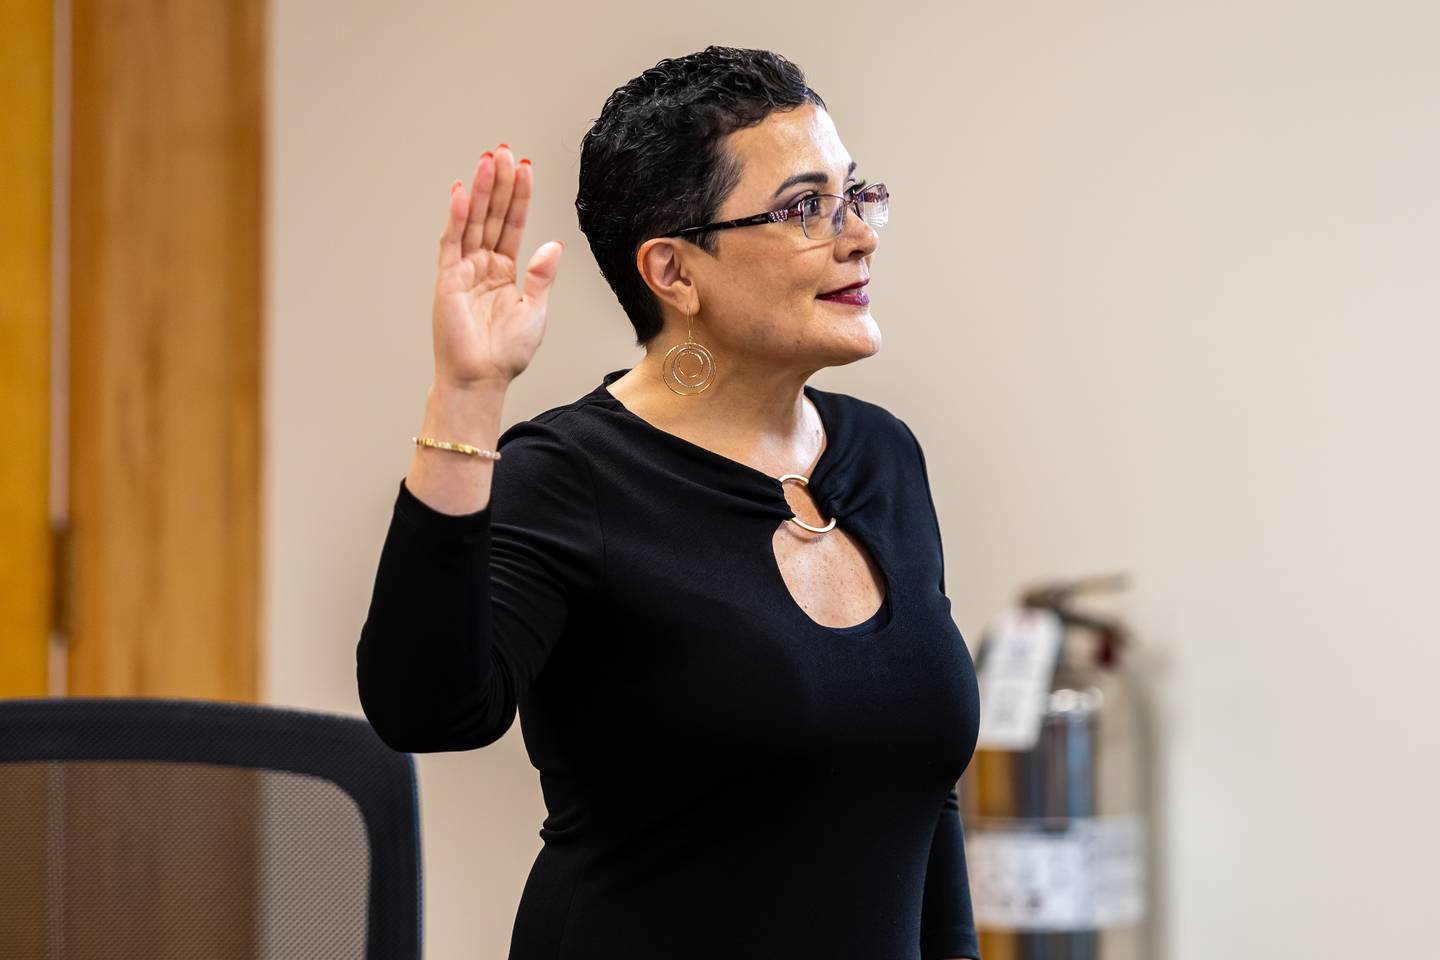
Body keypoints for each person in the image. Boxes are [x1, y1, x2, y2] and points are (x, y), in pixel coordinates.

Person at [357, 46, 981, 960]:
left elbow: (925, 798)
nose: (860, 234)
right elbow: (429, 711)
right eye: (807, 207)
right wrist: (468, 392)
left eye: (855, 195)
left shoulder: (882, 455)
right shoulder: (573, 476)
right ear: (674, 273)